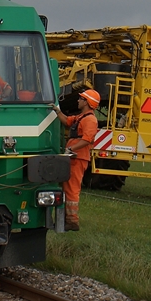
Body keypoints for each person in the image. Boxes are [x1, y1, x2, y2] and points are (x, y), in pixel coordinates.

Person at [52, 88, 100, 231]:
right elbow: (66, 121)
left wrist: (72, 149)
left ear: (87, 102)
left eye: (81, 98)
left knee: (72, 189)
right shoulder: (81, 117)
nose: (78, 100)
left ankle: (72, 221)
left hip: (78, 158)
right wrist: (56, 110)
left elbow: (87, 139)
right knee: (67, 187)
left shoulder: (90, 120)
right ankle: (67, 220)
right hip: (72, 157)